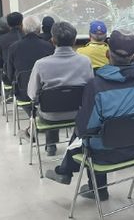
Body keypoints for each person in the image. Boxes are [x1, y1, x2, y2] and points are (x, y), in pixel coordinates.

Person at [44, 30, 134, 200]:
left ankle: (94, 187)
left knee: (84, 133)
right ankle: (68, 172)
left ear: (107, 54)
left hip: (104, 154)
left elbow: (86, 128)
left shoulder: (96, 86)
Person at [27, 22, 94, 156]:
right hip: (79, 114)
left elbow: (32, 94)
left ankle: (51, 145)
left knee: (49, 104)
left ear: (52, 40)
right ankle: (76, 145)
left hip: (50, 116)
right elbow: (90, 90)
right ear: (74, 40)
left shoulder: (41, 64)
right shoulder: (85, 61)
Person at [6, 15, 54, 102]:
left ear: (23, 29)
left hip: (22, 93)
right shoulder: (48, 46)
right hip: (45, 93)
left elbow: (10, 74)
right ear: (39, 29)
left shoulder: (13, 47)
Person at [0, 12, 24, 83]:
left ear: (8, 25)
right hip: (29, 76)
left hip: (9, 77)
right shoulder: (27, 37)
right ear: (22, 23)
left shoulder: (1, 40)